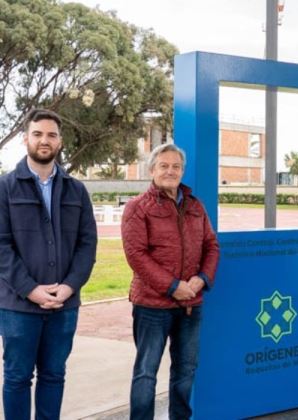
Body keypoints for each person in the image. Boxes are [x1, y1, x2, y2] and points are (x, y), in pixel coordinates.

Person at [0, 109, 98, 419]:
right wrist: (30, 290)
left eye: (51, 135)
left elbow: (87, 244)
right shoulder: (5, 187)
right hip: (18, 306)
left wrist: (69, 287)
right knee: (17, 378)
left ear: (60, 141)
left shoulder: (76, 190)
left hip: (64, 307)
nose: (45, 140)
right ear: (25, 138)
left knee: (54, 376)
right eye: (38, 134)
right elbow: (1, 246)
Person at [121, 143, 219, 419]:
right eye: (164, 165)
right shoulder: (137, 208)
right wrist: (173, 287)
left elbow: (212, 246)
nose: (170, 171)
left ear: (182, 171)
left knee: (185, 370)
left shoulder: (195, 206)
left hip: (190, 304)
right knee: (145, 373)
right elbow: (136, 255)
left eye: (176, 166)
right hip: (152, 306)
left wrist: (202, 280)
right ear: (152, 169)